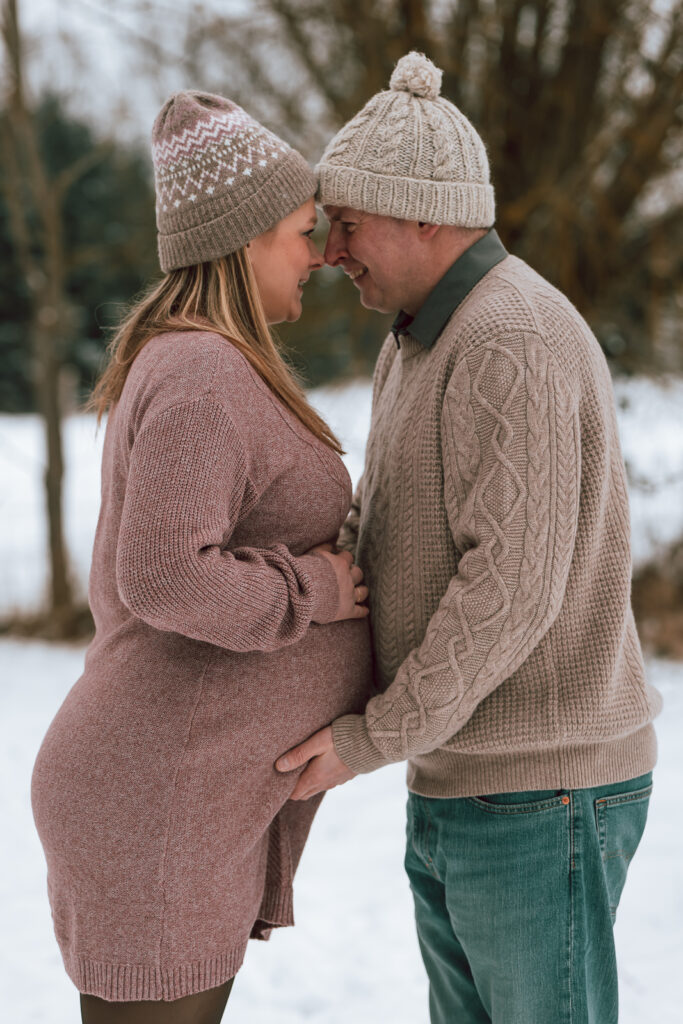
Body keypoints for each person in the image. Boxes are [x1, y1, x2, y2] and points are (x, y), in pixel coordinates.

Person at [277, 52, 662, 1024]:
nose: (329, 249)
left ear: (423, 215)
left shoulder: (507, 340)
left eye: (349, 222)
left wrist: (372, 736)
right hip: (465, 775)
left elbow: (508, 591)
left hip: (540, 791)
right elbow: (385, 521)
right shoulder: (419, 335)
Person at [30, 90, 373, 1024]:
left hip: (175, 792)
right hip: (155, 801)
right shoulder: (203, 375)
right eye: (303, 232)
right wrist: (320, 588)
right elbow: (167, 574)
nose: (319, 255)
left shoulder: (206, 364)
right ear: (247, 235)